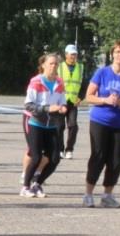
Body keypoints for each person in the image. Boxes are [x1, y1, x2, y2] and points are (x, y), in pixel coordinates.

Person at [83, 40, 120, 208]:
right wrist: (105, 99)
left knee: (116, 160)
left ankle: (107, 195)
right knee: (98, 157)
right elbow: (89, 96)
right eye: (117, 52)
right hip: (100, 120)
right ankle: (88, 194)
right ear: (112, 54)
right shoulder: (102, 72)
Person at [20, 53, 67, 198]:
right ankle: (25, 187)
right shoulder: (36, 82)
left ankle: (37, 184)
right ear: (43, 65)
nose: (54, 67)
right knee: (36, 156)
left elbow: (62, 101)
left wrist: (63, 107)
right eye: (51, 64)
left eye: (56, 64)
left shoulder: (59, 82)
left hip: (51, 124)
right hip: (34, 121)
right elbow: (28, 105)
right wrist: (47, 108)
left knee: (54, 158)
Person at [57, 44, 86, 159]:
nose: (74, 56)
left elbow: (84, 84)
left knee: (73, 126)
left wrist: (81, 97)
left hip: (73, 102)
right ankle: (59, 149)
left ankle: (69, 149)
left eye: (75, 54)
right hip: (60, 101)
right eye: (71, 54)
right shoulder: (59, 67)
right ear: (66, 55)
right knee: (59, 126)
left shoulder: (81, 67)